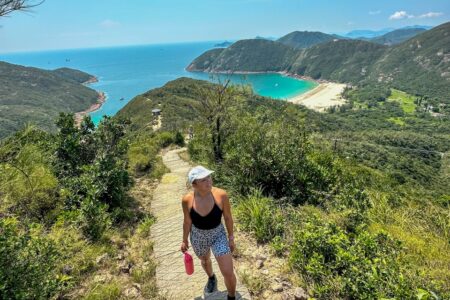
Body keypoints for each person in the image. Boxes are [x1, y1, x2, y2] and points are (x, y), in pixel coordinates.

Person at [181, 165, 237, 300]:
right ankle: (211, 277)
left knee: (228, 272)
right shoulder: (187, 200)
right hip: (198, 236)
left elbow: (228, 217)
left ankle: (232, 297)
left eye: (209, 177)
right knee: (205, 261)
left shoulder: (221, 195)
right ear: (194, 184)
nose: (209, 181)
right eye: (203, 180)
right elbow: (187, 222)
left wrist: (231, 237)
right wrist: (184, 240)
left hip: (218, 235)